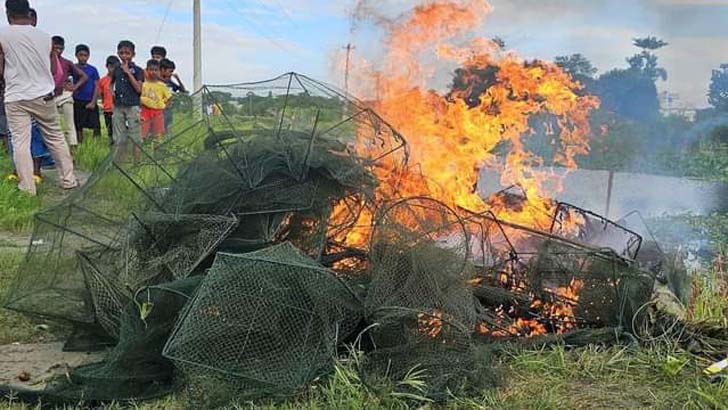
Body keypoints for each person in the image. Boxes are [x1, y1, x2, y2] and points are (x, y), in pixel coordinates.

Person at [0, 0, 77, 195]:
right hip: (44, 95)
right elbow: (53, 69)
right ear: (28, 13)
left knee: (20, 142)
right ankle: (68, 180)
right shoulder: (45, 37)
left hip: (16, 96)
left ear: (8, 13)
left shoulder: (3, 34)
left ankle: (27, 188)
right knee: (55, 137)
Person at [51, 35, 86, 149]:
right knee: (52, 125)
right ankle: (55, 151)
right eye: (55, 48)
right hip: (49, 96)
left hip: (65, 95)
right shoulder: (45, 61)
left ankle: (73, 151)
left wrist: (75, 87)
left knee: (70, 125)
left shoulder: (66, 62)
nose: (58, 51)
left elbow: (83, 76)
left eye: (60, 48)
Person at [111, 40, 144, 158]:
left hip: (132, 106)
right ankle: (120, 163)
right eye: (121, 53)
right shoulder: (116, 69)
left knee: (136, 136)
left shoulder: (138, 70)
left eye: (127, 53)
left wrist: (128, 73)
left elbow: (139, 89)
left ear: (133, 54)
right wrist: (111, 93)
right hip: (118, 106)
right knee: (119, 137)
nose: (124, 56)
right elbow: (111, 82)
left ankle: (137, 163)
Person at [72, 44, 101, 142]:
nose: (83, 57)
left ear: (88, 56)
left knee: (96, 125)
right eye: (81, 55)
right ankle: (79, 143)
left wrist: (93, 101)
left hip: (90, 100)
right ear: (76, 55)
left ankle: (96, 145)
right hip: (77, 100)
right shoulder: (73, 68)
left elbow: (97, 85)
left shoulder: (93, 70)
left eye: (85, 55)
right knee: (78, 125)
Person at [140, 59, 171, 141]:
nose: (153, 72)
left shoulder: (162, 85)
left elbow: (169, 98)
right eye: (151, 70)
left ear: (159, 71)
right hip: (145, 111)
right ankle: (140, 151)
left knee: (157, 135)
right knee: (142, 134)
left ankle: (157, 152)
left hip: (158, 112)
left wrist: (164, 106)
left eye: (155, 70)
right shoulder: (143, 85)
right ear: (147, 70)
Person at [159, 58, 186, 134]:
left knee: (168, 132)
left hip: (168, 111)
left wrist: (178, 79)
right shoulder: (156, 82)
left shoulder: (170, 82)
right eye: (170, 71)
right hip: (159, 111)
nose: (171, 73)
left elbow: (183, 90)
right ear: (162, 70)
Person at [97, 55, 118, 144]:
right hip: (108, 109)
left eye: (115, 67)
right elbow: (101, 94)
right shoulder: (103, 80)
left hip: (118, 109)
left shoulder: (119, 79)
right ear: (107, 66)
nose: (112, 69)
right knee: (110, 131)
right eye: (111, 67)